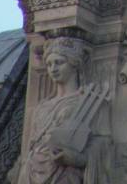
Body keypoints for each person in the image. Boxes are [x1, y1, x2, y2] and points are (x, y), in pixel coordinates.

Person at [12, 37, 112, 184]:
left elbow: (104, 143)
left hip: (65, 174)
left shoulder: (91, 101)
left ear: (74, 64)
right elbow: (29, 147)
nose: (53, 69)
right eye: (49, 64)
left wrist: (78, 158)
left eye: (59, 62)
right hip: (31, 172)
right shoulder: (40, 108)